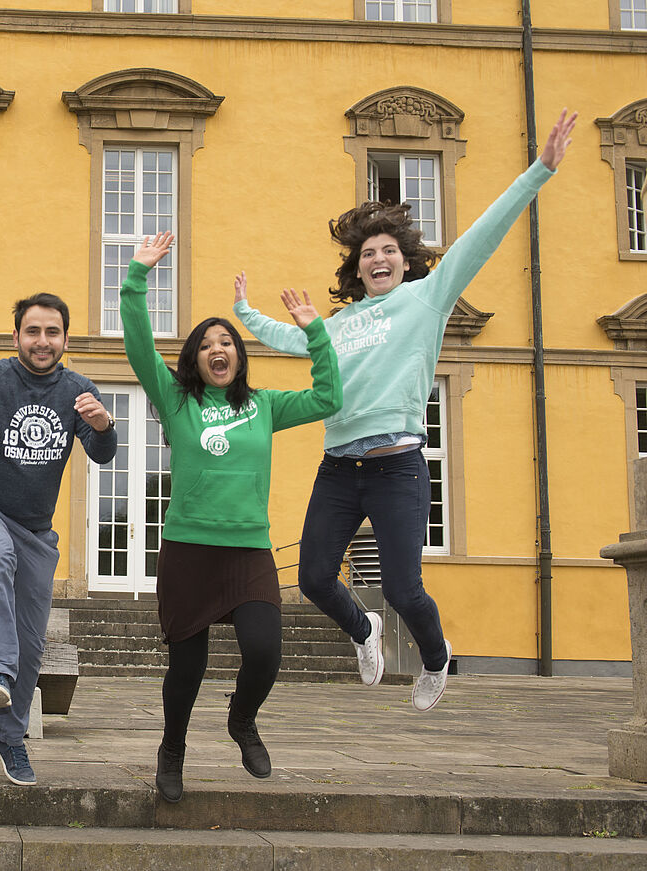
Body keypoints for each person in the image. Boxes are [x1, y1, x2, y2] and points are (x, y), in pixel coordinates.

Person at [234, 109, 578, 712]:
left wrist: (540, 171)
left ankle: (436, 656)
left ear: (405, 259)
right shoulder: (339, 323)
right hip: (339, 468)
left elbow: (480, 238)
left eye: (389, 250)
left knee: (402, 587)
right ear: (357, 267)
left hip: (397, 466)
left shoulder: (427, 299)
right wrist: (245, 313)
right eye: (368, 253)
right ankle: (362, 630)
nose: (379, 259)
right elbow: (290, 339)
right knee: (313, 577)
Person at [122, 231, 341, 802]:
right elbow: (138, 345)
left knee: (265, 651)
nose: (217, 350)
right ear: (195, 359)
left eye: (227, 342)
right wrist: (137, 277)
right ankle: (172, 749)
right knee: (186, 669)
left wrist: (315, 331)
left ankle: (242, 719)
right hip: (189, 549)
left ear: (239, 356)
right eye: (205, 344)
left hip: (248, 549)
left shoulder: (264, 406)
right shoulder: (177, 401)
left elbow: (328, 398)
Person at [0, 292, 118, 787]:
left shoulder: (77, 389)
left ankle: (9, 737)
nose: (42, 341)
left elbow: (102, 453)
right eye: (32, 331)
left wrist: (104, 425)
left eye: (52, 332)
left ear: (65, 339)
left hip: (35, 534)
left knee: (33, 645)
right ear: (16, 336)